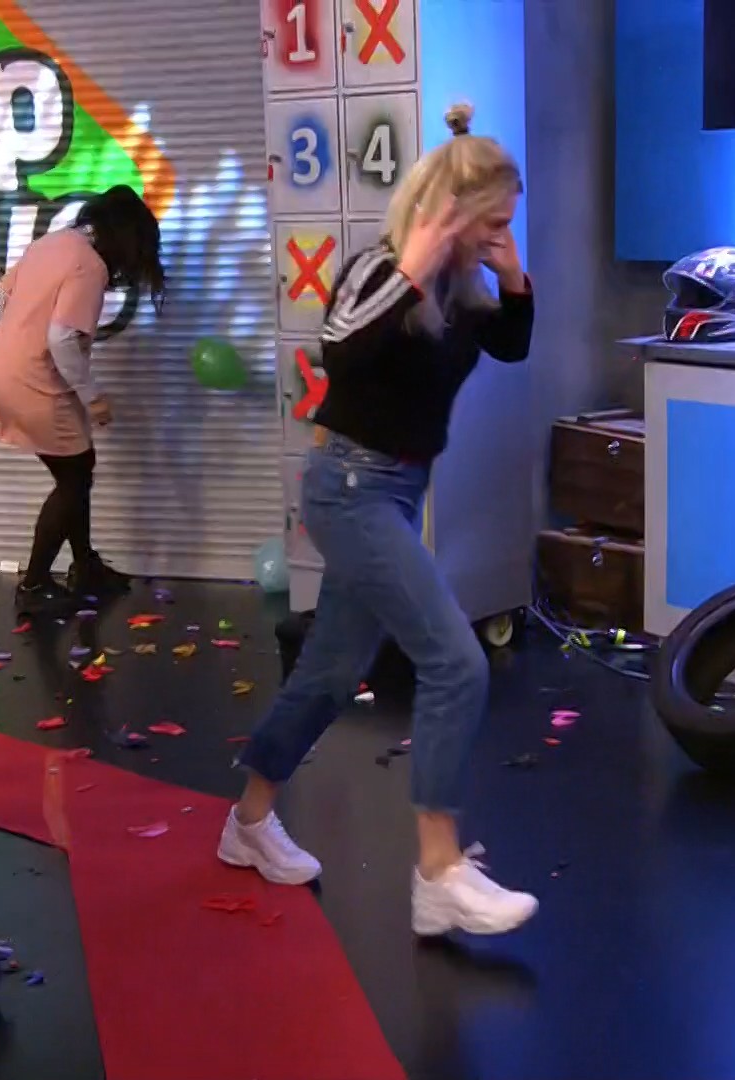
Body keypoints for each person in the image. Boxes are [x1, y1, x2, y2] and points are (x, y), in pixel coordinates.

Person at [219, 104, 538, 937]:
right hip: (349, 487)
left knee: (329, 675)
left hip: (397, 490)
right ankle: (438, 872)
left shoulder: (464, 290)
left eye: (508, 225)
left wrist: (512, 274)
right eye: (493, 223)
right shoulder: (379, 269)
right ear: (452, 215)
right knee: (455, 662)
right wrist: (414, 269)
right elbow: (341, 350)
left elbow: (512, 346)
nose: (500, 236)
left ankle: (248, 821)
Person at [0, 185, 162, 607]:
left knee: (76, 471)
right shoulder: (89, 265)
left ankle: (85, 566)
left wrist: (18, 334)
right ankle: (34, 585)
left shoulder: (51, 243)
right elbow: (62, 338)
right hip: (37, 378)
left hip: (6, 369)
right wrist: (93, 397)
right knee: (75, 477)